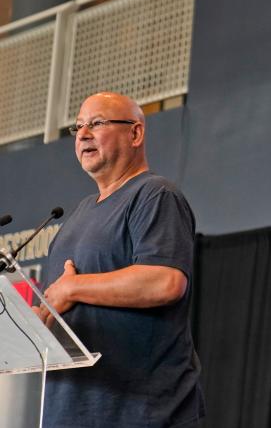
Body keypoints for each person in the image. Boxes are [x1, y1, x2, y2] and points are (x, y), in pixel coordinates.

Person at [38, 92, 204, 427]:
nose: (83, 134)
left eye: (96, 123)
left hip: (138, 412)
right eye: (78, 126)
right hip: (68, 411)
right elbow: (60, 305)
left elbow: (166, 281)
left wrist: (73, 288)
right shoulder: (80, 212)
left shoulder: (155, 195)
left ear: (136, 133)